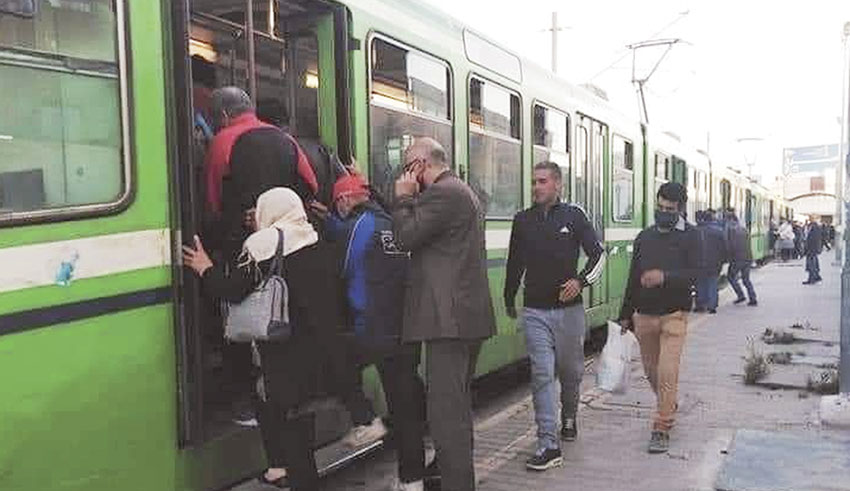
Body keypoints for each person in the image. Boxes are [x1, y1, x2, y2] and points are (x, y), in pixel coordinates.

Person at [182, 187, 340, 491]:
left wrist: (206, 269)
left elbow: (233, 289)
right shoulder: (312, 236)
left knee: (285, 424)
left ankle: (287, 471)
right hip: (308, 348)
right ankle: (288, 471)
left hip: (277, 352)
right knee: (301, 427)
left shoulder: (262, 242)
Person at [392, 137, 496, 491]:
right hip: (460, 320)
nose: (405, 174)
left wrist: (403, 196)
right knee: (455, 411)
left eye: (407, 166)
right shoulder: (458, 192)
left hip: (448, 323)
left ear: (420, 165)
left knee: (446, 418)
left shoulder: (445, 193)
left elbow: (406, 236)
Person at [324, 174, 427, 491]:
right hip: (407, 328)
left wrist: (325, 223)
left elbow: (339, 264)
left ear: (343, 201)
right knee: (404, 404)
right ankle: (412, 481)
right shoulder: (394, 222)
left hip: (374, 328)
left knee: (334, 360)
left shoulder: (359, 225)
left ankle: (366, 420)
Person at [503, 161, 605, 471]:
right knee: (542, 375)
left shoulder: (574, 216)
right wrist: (509, 297)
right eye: (534, 181)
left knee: (571, 374)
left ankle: (569, 416)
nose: (536, 187)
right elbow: (514, 262)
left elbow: (598, 254)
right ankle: (548, 442)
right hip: (534, 311)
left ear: (558, 185)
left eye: (543, 181)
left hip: (569, 314)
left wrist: (581, 281)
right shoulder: (522, 220)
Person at [618, 182, 702, 454]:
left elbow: (698, 273)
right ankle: (668, 403)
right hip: (644, 316)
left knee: (668, 371)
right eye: (660, 207)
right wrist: (624, 315)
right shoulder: (645, 236)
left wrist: (664, 277)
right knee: (651, 372)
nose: (663, 212)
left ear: (679, 209)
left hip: (674, 315)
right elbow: (633, 277)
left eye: (669, 209)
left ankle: (661, 426)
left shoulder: (691, 236)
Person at [204, 86, 319, 259]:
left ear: (224, 115)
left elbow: (212, 201)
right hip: (286, 242)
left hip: (243, 241)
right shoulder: (285, 138)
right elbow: (311, 184)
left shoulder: (221, 142)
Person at [694, 210, 727, 314]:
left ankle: (700, 305)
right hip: (715, 262)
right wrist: (723, 260)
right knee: (712, 283)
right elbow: (724, 248)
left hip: (699, 262)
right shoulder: (719, 231)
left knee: (700, 283)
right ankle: (712, 306)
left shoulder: (695, 231)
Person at [725, 211, 757, 306]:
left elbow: (729, 245)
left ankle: (741, 295)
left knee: (730, 277)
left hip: (737, 258)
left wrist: (727, 257)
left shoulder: (730, 229)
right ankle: (753, 298)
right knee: (746, 279)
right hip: (747, 257)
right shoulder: (744, 229)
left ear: (730, 220)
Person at [803, 215, 824, 284]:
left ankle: (813, 279)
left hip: (812, 249)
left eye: (811, 218)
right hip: (811, 249)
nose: (810, 219)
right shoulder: (811, 226)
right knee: (812, 264)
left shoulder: (815, 227)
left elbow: (815, 239)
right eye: (810, 218)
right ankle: (815, 278)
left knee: (812, 264)